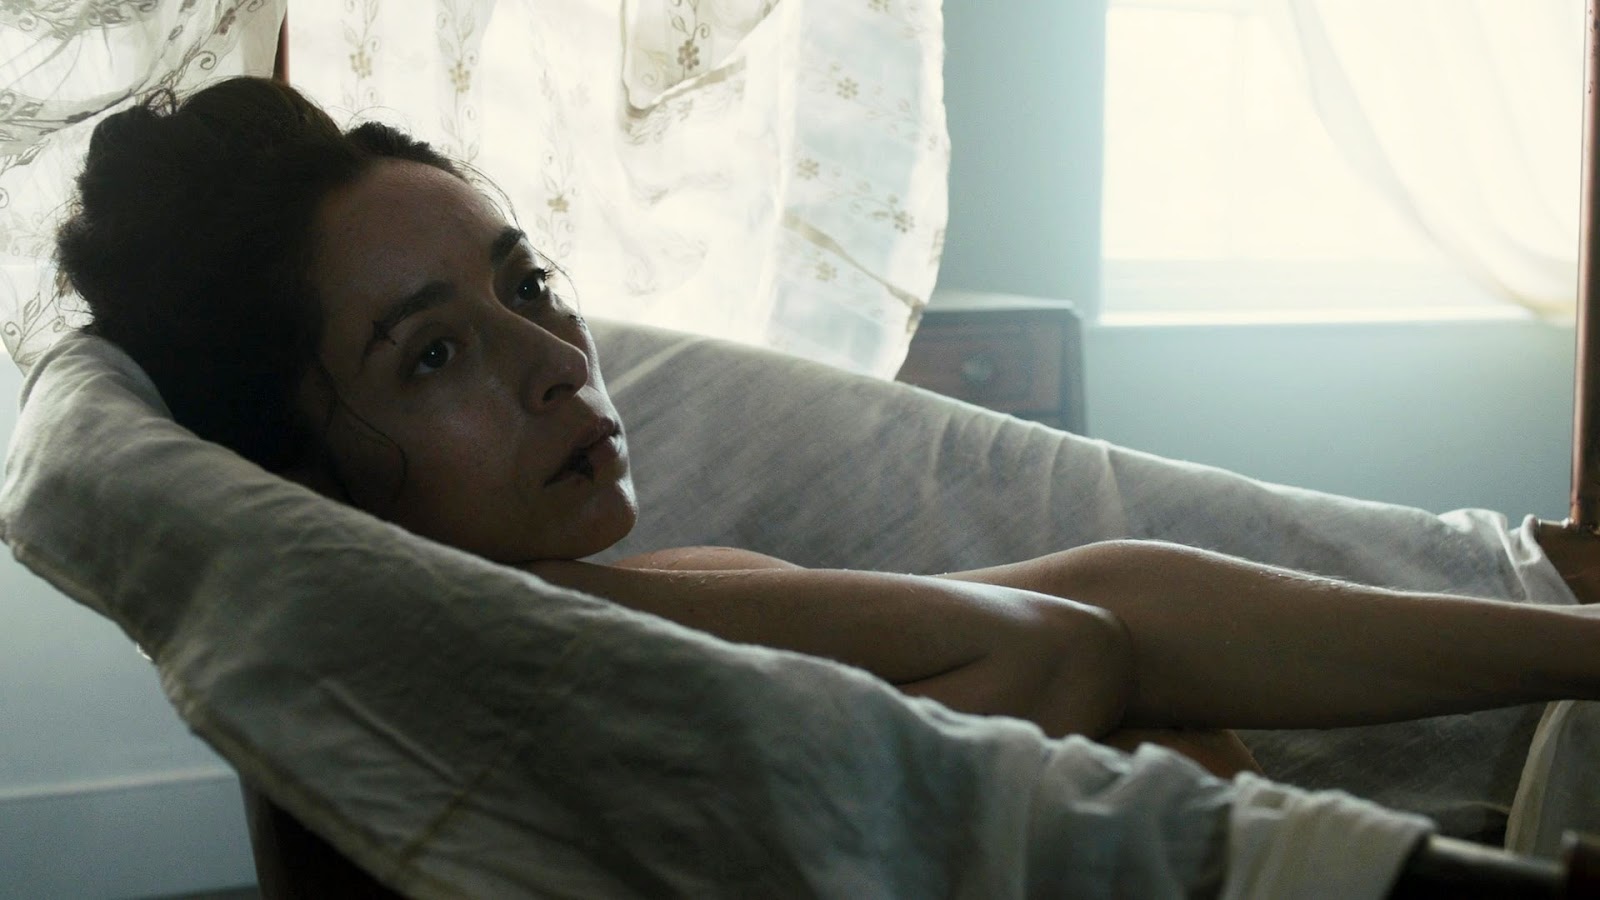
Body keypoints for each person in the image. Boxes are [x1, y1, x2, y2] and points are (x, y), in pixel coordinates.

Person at [53, 75, 1600, 781]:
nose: (557, 361)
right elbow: (1067, 649)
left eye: (528, 286)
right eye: (435, 353)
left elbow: (1101, 599)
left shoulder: (616, 605)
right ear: (303, 478)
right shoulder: (560, 664)